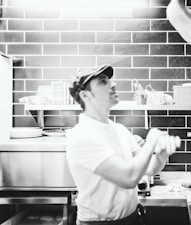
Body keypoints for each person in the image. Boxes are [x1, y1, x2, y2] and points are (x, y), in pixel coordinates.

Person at [66, 65, 180, 225]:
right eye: (102, 82)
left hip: (132, 218)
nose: (113, 84)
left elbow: (148, 169)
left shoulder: (119, 130)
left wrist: (161, 154)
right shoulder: (82, 135)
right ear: (86, 95)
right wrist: (152, 141)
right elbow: (129, 178)